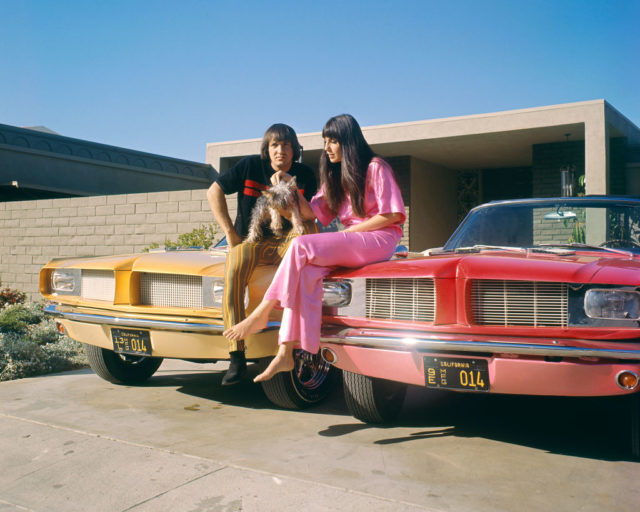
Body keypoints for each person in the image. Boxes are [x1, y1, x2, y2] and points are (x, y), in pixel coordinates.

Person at [223, 114, 406, 382]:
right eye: (325, 141)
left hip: (380, 238)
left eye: (333, 141)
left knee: (299, 245)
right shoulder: (335, 174)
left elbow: (392, 215)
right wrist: (288, 186)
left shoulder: (375, 167)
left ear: (349, 141)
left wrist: (350, 232)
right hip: (354, 242)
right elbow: (311, 214)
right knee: (306, 275)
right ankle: (287, 351)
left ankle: (263, 312)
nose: (327, 147)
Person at [207, 123, 318, 385]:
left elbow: (309, 218)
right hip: (252, 239)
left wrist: (287, 186)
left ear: (295, 151)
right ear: (266, 150)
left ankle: (286, 342)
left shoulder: (305, 174)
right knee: (233, 265)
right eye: (275, 145)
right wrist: (231, 233)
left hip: (288, 240)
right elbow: (214, 190)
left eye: (287, 146)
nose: (281, 151)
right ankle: (236, 357)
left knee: (306, 235)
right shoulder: (248, 166)